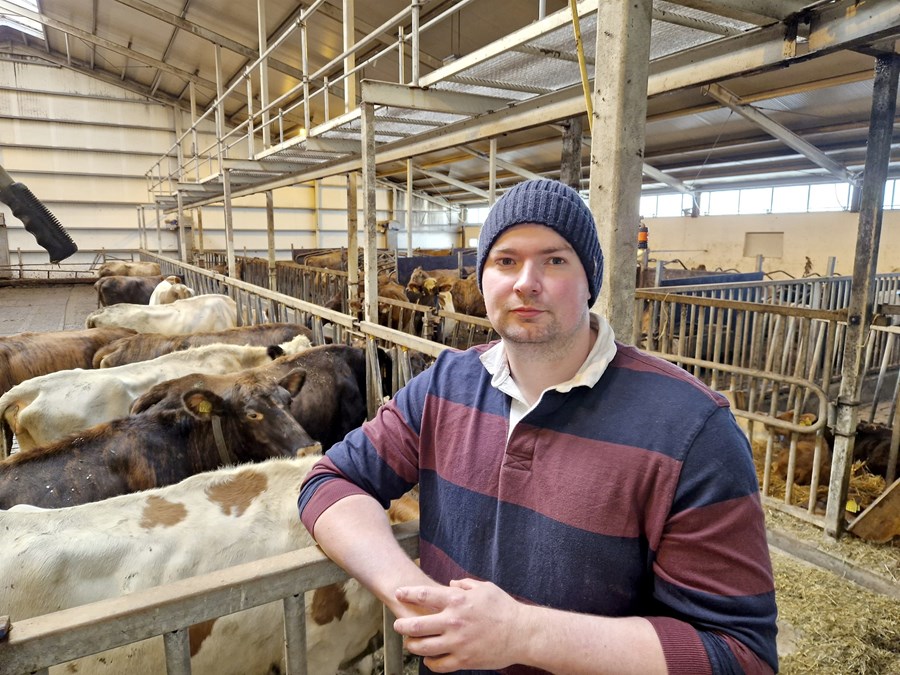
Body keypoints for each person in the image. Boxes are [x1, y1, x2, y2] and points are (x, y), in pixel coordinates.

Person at [298, 178, 778, 674]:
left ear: (590, 280)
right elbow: (328, 482)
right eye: (506, 261)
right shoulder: (444, 386)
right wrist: (413, 594)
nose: (526, 282)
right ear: (483, 279)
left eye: (555, 260)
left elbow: (740, 655)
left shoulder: (693, 428)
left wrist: (523, 634)